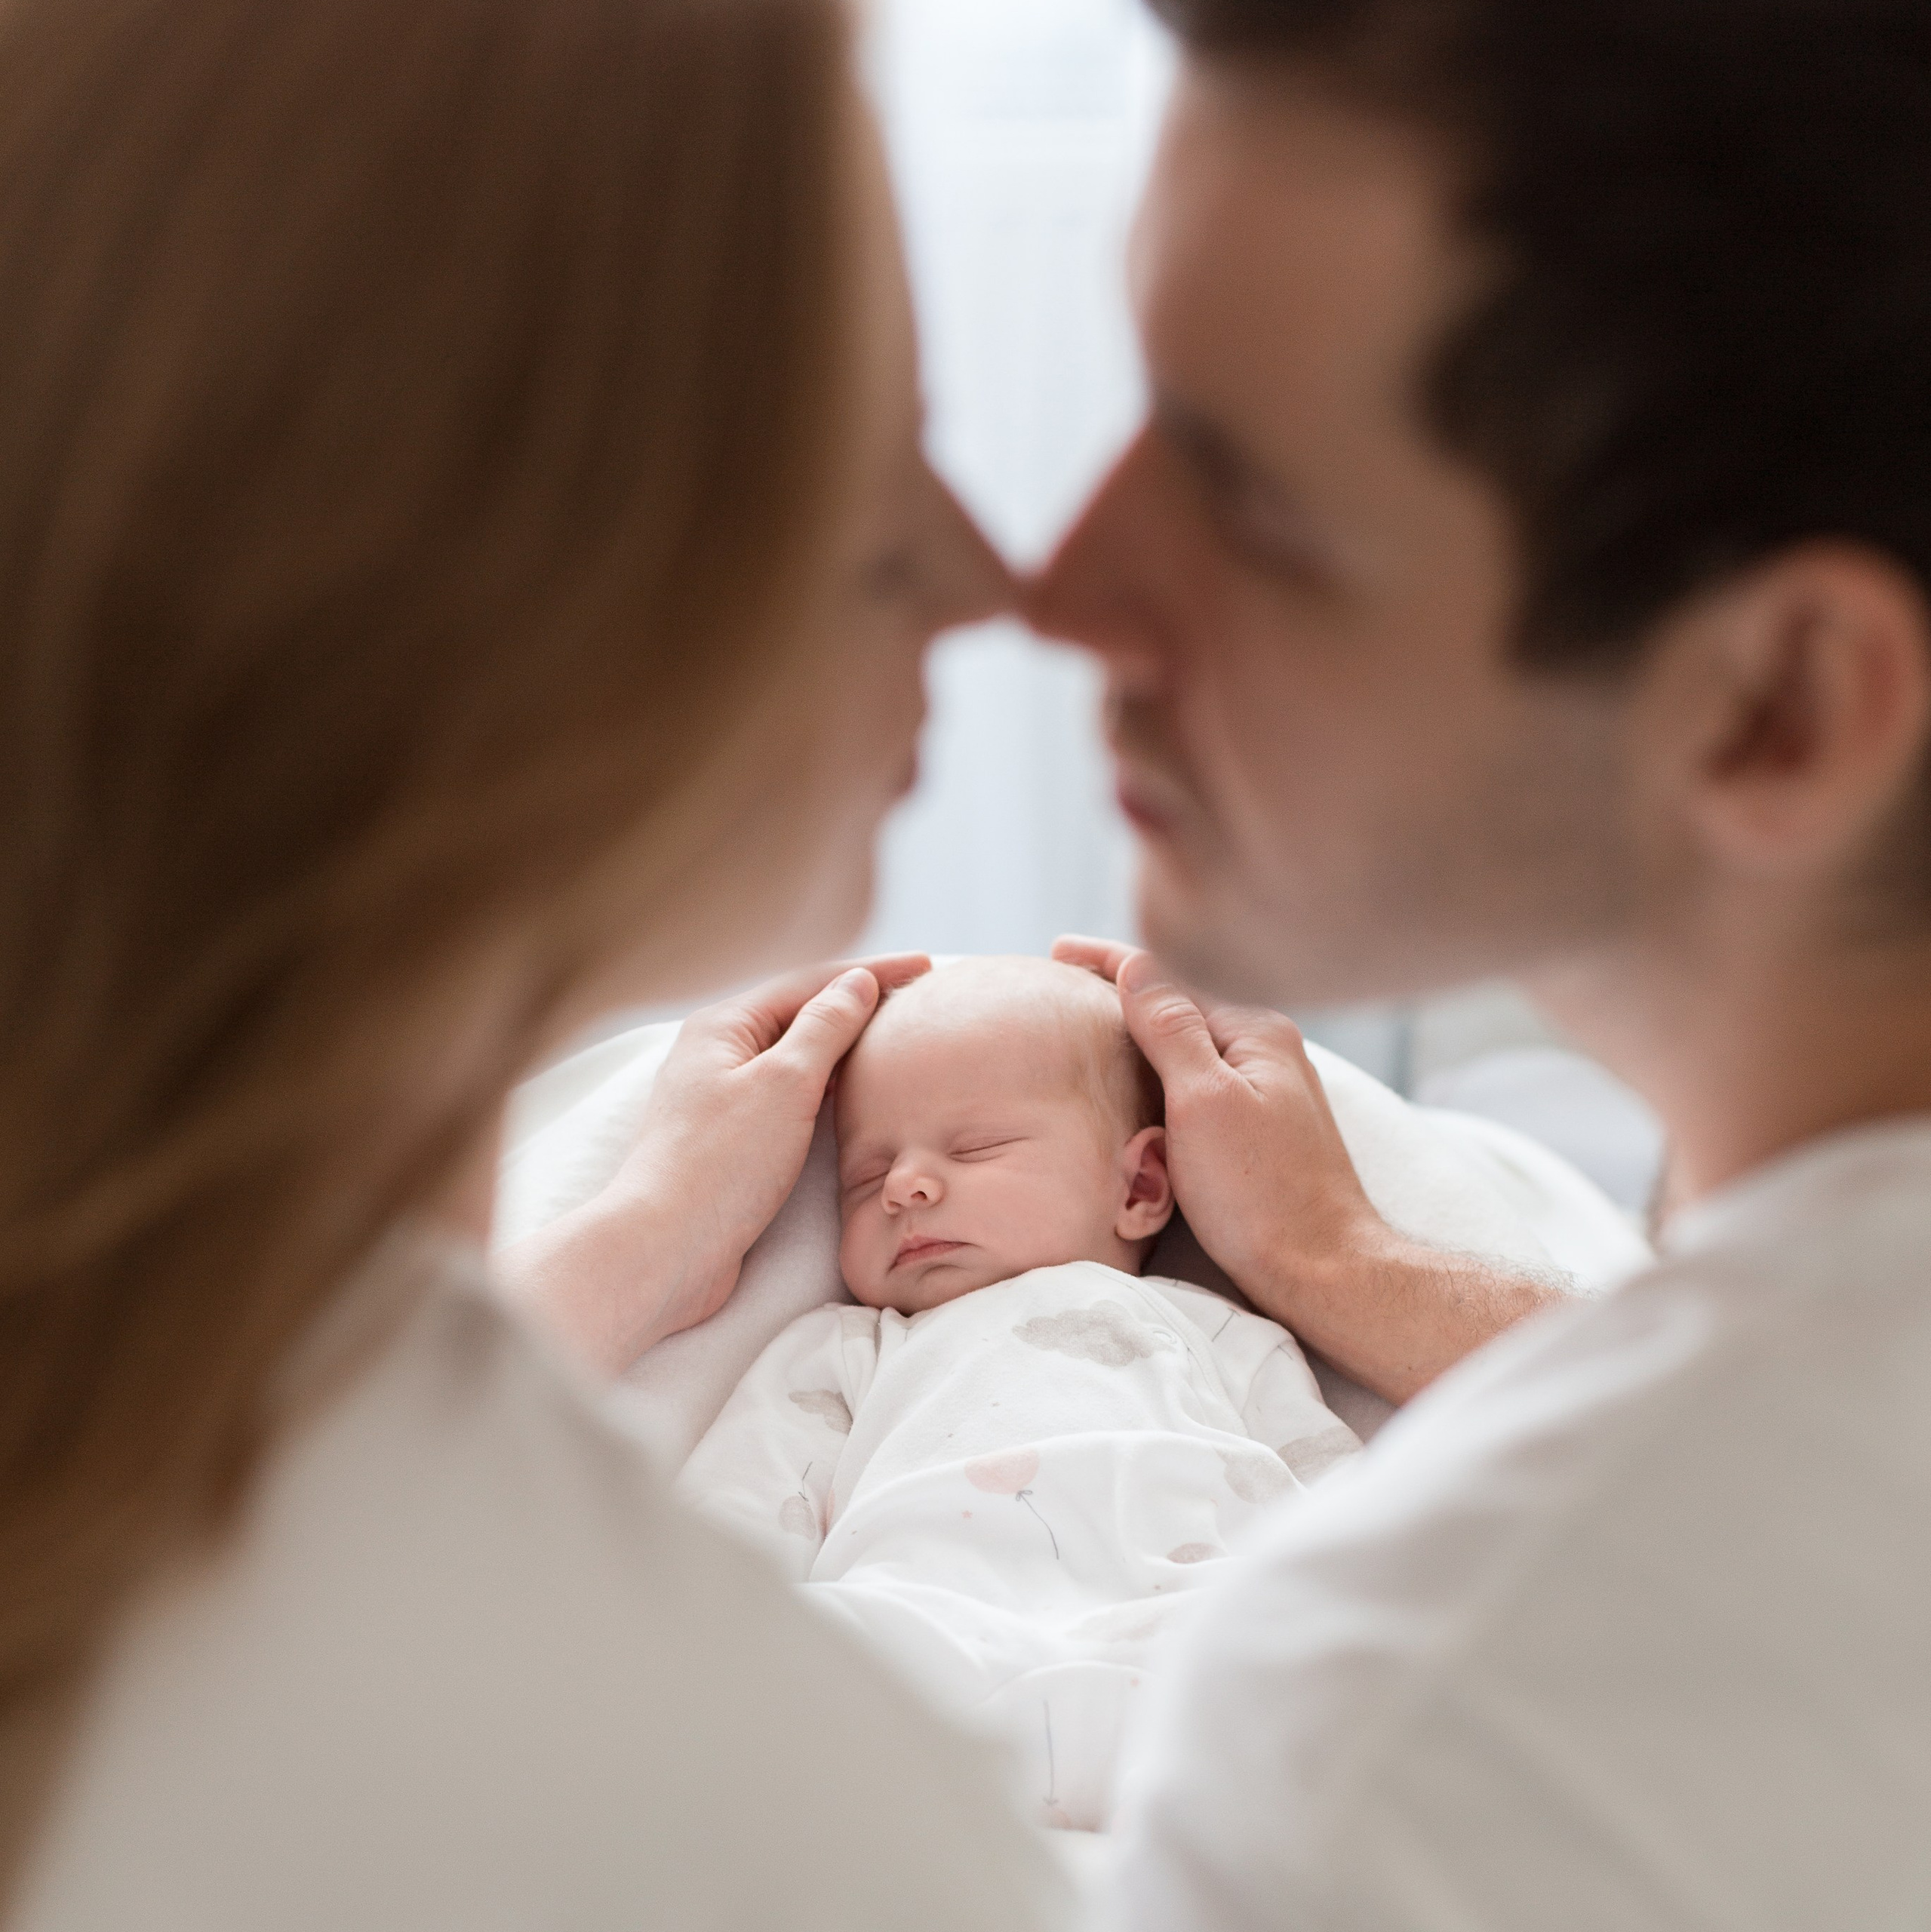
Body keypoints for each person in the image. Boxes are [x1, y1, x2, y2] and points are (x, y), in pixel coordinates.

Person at [0, 0, 1071, 1924]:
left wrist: (593, 1263)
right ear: (522, 575)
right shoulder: (767, 1821)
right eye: (887, 458)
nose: (992, 576)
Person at [1025, 0, 1931, 1924]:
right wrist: (1346, 1267)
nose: (1062, 583)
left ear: (1773, 704)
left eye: (1248, 503)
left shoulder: (1422, 1733)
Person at [678, 956, 1358, 1832]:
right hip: (924, 1643)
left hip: (1179, 1643)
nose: (904, 1186)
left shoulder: (1221, 1333)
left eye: (974, 1149)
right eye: (863, 1176)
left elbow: (1346, 1506)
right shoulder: (852, 1347)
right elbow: (729, 1524)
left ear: (1141, 1185)